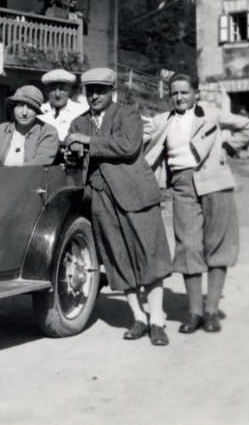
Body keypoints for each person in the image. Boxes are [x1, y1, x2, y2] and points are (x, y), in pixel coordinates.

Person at [64, 67, 172, 346]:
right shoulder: (78, 122)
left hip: (135, 194)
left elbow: (127, 146)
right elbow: (75, 157)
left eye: (101, 90)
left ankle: (158, 318)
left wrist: (87, 142)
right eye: (90, 90)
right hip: (100, 198)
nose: (95, 95)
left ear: (113, 91)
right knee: (117, 258)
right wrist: (72, 150)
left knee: (149, 255)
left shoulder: (128, 114)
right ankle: (138, 317)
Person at [144, 73, 249, 334]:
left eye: (184, 92)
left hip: (215, 182)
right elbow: (138, 139)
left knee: (217, 244)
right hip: (182, 187)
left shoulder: (212, 113)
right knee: (188, 247)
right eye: (174, 93)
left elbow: (248, 126)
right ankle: (194, 313)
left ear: (196, 93)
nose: (179, 97)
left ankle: (211, 311)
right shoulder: (162, 121)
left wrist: (228, 148)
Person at [0, 85, 59, 166]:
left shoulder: (48, 132)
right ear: (13, 108)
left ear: (36, 111)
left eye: (30, 107)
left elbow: (39, 164)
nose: (24, 113)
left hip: (32, 178)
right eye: (20, 105)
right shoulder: (1, 130)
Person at [39, 68, 89, 142]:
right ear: (46, 91)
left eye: (62, 89)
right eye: (53, 89)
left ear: (70, 91)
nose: (57, 94)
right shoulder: (39, 111)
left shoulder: (82, 111)